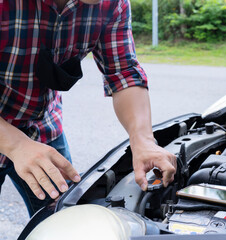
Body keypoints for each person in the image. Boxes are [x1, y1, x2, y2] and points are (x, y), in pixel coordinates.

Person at [0, 0, 177, 216]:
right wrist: (17, 145)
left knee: (62, 221)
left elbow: (123, 74)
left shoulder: (112, 4)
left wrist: (143, 141)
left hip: (42, 127)